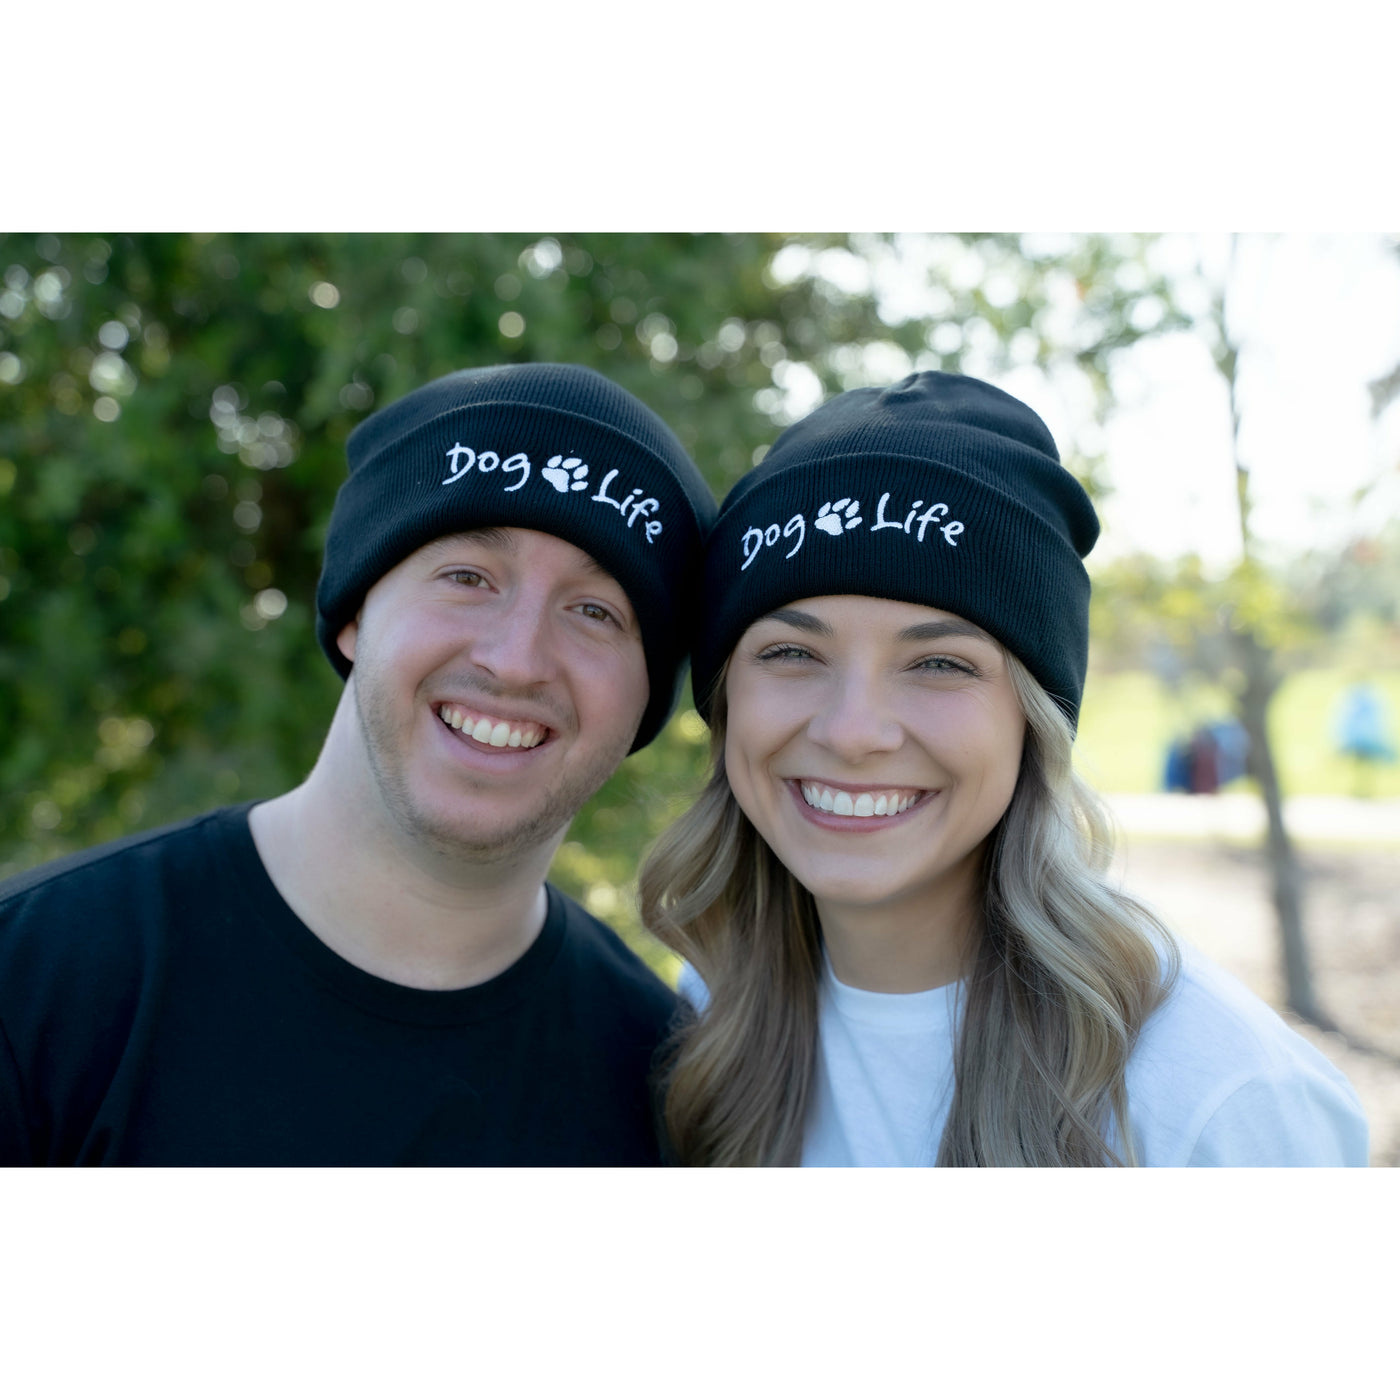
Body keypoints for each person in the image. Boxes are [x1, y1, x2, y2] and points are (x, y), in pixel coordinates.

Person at [640, 371, 1368, 1167]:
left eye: (940, 664)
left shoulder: (1215, 1098)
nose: (853, 732)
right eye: (791, 652)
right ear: (724, 700)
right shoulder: (710, 1010)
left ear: (1033, 718)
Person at [0, 362, 716, 1165]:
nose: (517, 661)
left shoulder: (674, 1098)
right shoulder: (37, 984)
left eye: (595, 611)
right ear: (354, 612)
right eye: (468, 577)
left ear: (646, 700)